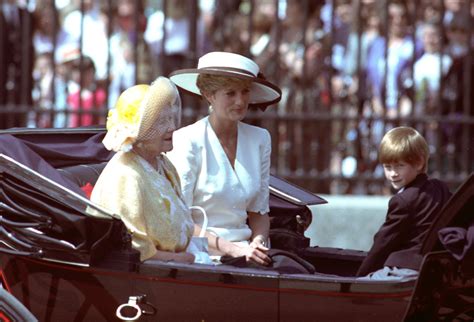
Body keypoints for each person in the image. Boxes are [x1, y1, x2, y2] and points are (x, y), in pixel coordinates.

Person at [167, 51, 282, 266]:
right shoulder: (188, 139)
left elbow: (259, 211)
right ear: (209, 95)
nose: (240, 101)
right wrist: (233, 250)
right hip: (201, 257)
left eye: (245, 91)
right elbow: (180, 220)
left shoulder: (260, 139)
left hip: (248, 255)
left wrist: (257, 243)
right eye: (230, 93)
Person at [88, 77, 195, 263]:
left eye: (170, 118)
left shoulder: (163, 164)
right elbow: (132, 248)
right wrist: (179, 259)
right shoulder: (125, 175)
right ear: (139, 131)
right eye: (161, 121)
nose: (172, 127)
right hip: (150, 277)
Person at [357, 126, 452, 280]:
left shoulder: (403, 200)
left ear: (419, 163)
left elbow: (383, 242)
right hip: (433, 264)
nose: (393, 173)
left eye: (400, 166)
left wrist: (360, 276)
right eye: (388, 167)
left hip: (405, 269)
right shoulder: (439, 187)